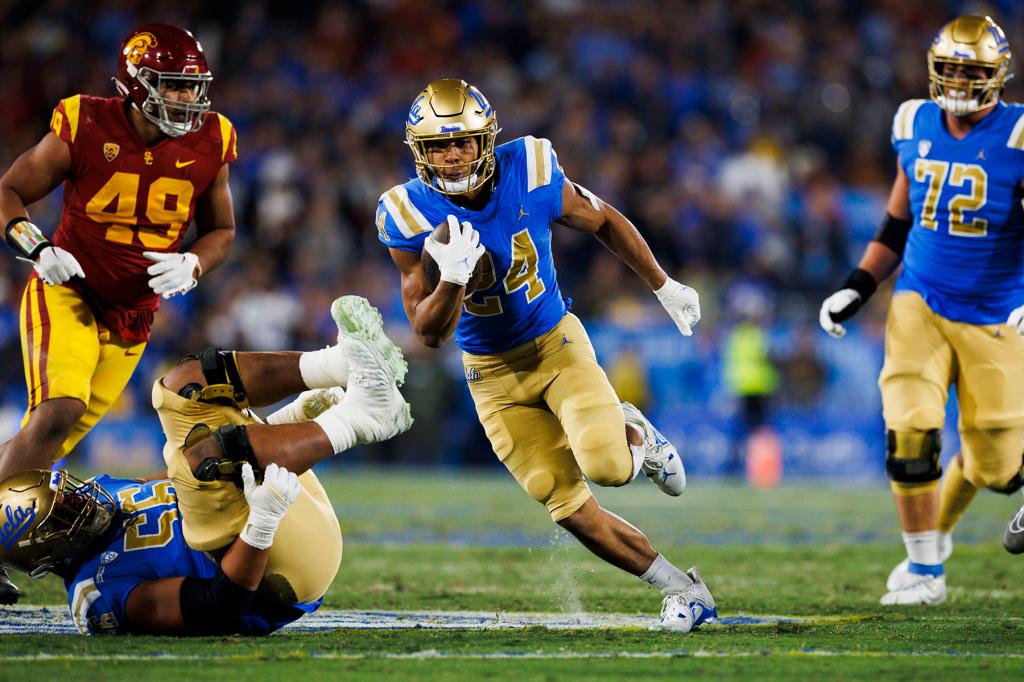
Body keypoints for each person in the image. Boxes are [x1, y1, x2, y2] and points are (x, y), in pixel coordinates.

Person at [378, 79, 714, 632]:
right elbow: (429, 333)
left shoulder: (529, 167)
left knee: (607, 467)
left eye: (462, 142)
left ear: (487, 139)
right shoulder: (405, 213)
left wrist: (661, 285)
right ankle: (684, 589)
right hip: (488, 375)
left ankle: (638, 439)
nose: (453, 155)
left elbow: (602, 218)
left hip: (555, 347)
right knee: (567, 507)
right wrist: (453, 281)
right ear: (419, 151)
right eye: (438, 146)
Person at [0, 295, 413, 634]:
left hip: (276, 505)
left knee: (181, 386)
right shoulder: (99, 594)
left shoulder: (106, 493)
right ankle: (363, 419)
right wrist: (261, 527)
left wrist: (282, 425)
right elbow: (218, 607)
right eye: (63, 515)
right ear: (44, 553)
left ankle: (341, 363)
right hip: (279, 571)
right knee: (195, 462)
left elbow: (200, 487)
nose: (79, 502)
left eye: (66, 494)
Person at [0, 23, 240, 603]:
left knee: (51, 439)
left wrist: (195, 264)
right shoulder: (86, 120)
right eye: (172, 86)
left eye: (192, 87)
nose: (187, 99)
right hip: (68, 290)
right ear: (136, 85)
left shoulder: (213, 137)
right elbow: (9, 190)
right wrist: (37, 245)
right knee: (57, 410)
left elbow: (222, 231)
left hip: (133, 314)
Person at [819, 15, 1024, 605]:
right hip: (920, 301)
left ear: (997, 75)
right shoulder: (913, 120)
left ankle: (944, 536)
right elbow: (897, 221)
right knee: (909, 431)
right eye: (951, 68)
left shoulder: (1016, 137)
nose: (959, 80)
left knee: (994, 465)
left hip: (996, 313)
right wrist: (858, 285)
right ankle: (924, 570)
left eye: (973, 70)